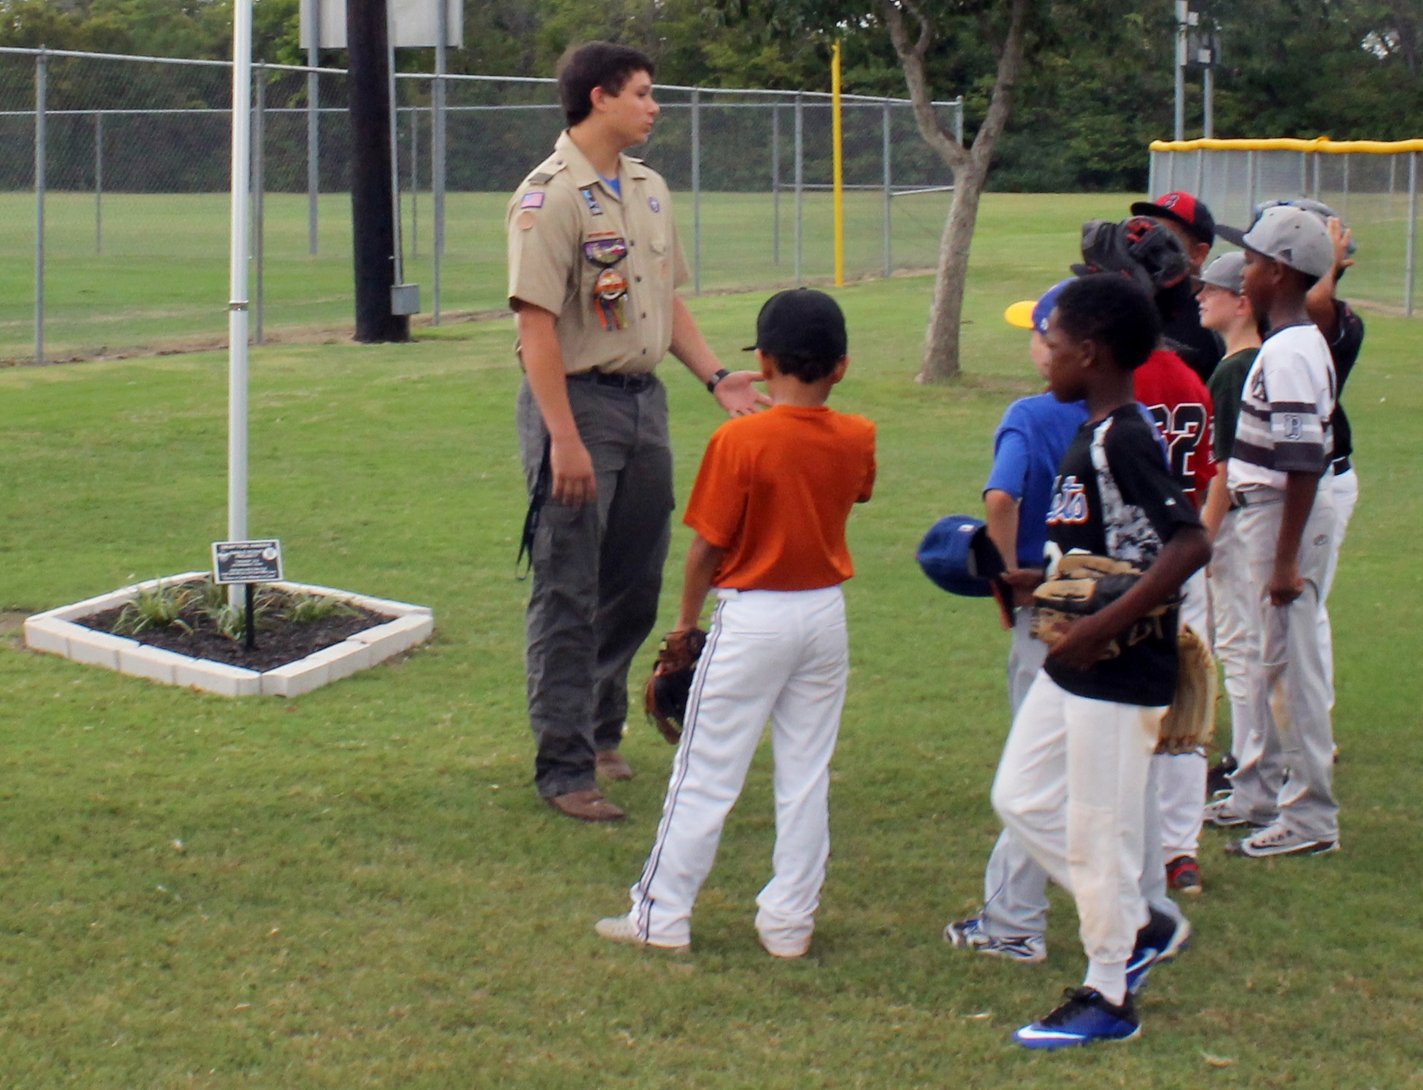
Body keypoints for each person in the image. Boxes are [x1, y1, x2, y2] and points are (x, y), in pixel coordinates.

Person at [507, 42, 765, 823]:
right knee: (567, 586)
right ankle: (563, 767)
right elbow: (536, 328)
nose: (654, 107)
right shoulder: (548, 197)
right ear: (598, 98)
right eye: (643, 94)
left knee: (634, 580)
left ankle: (601, 729)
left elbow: (662, 299)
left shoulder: (647, 189)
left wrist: (717, 377)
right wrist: (564, 440)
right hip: (576, 407)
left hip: (642, 403)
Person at [594, 288, 876, 956]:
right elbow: (851, 490)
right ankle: (788, 924)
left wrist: (684, 628)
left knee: (707, 770)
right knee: (805, 773)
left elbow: (706, 548)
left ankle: (658, 917)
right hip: (823, 616)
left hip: (754, 617)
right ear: (840, 366)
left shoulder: (740, 438)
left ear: (766, 360)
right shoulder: (857, 434)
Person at [991, 274, 1210, 1050]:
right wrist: (1035, 581)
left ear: (1088, 352)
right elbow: (1104, 552)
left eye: (1050, 345)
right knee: (1019, 796)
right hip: (1075, 658)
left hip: (1119, 666)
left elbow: (1188, 542)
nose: (1041, 357)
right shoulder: (1090, 430)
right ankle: (1139, 922)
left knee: (1097, 829)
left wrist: (1101, 626)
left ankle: (1108, 996)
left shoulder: (1124, 436)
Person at [943, 281, 1086, 964]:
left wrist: (1003, 573)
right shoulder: (1131, 409)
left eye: (1038, 334)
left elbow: (1002, 493)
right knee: (1102, 769)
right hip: (1112, 607)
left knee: (1032, 774)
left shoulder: (1031, 415)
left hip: (1048, 610)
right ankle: (1146, 905)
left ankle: (1012, 922)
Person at [1202, 206, 1341, 858]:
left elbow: (1301, 461)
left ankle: (1309, 818)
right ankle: (1256, 790)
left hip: (1278, 518)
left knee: (1291, 672)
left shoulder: (1286, 352)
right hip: (1267, 514)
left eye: (1252, 261)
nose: (1245, 270)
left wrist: (1284, 561)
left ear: (1278, 272)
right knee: (1264, 662)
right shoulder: (1290, 343)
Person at [1194, 253, 1262, 808]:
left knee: (1238, 645)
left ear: (1243, 302)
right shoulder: (1262, 359)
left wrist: (1205, 539)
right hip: (1258, 516)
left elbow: (1223, 471)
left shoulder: (1234, 369)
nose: (1201, 297)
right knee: (1248, 643)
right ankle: (1255, 753)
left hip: (1238, 522)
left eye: (1212, 290)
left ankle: (1247, 761)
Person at [1130, 191, 1223, 381]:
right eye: (1147, 232)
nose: (1148, 245)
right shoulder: (1134, 307)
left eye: (1165, 238)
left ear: (1199, 254)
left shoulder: (1213, 321)